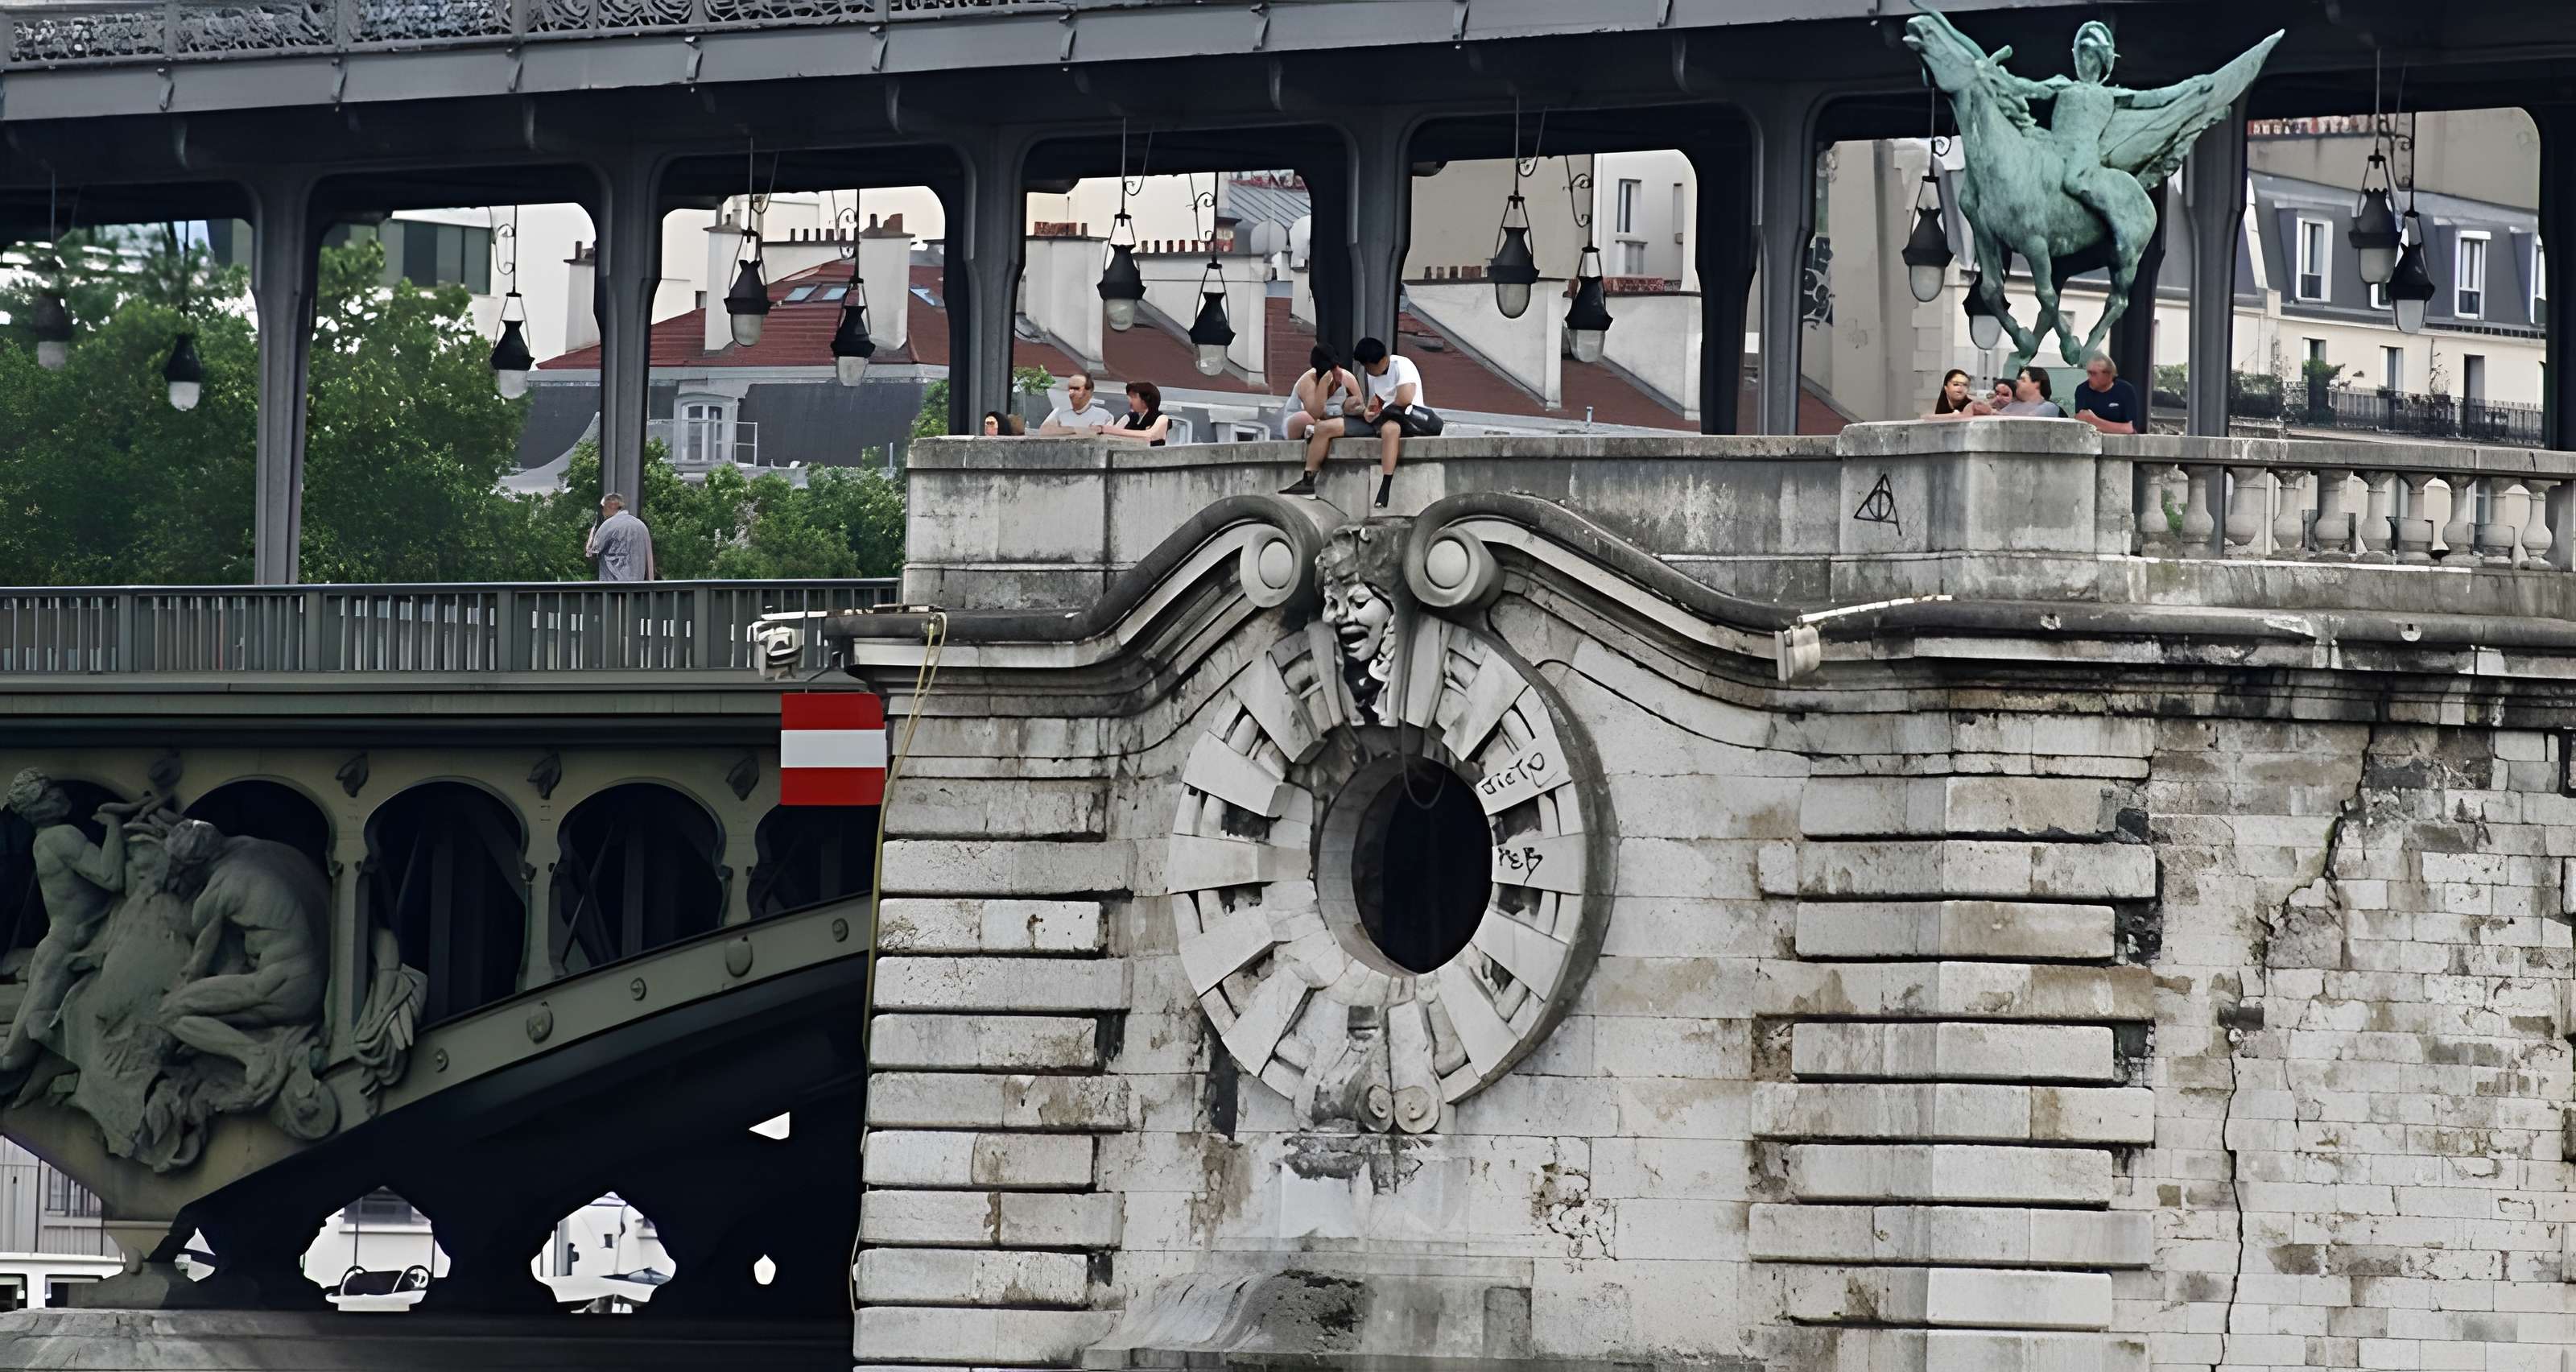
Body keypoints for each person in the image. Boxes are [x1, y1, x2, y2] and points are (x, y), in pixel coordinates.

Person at [0, 771, 133, 1072]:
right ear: (39, 805)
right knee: (15, 1054)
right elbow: (111, 878)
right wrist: (114, 824)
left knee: (20, 1038)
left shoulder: (43, 840)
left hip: (64, 943)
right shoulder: (63, 837)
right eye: (49, 792)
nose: (59, 795)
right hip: (67, 946)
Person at [1279, 337, 1438, 510]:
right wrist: (1363, 411)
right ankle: (1308, 479)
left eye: (1369, 366)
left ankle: (1385, 486)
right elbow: (1370, 402)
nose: (1367, 371)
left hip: (1405, 419)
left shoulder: (1402, 365)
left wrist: (1380, 411)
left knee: (1390, 430)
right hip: (1378, 419)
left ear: (1382, 360)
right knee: (1324, 428)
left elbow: (1405, 398)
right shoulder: (1370, 375)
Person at [1285, 346, 1364, 440]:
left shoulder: (1347, 378)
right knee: (1304, 417)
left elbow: (1360, 406)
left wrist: (1350, 405)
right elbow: (1314, 413)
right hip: (1299, 423)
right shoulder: (1308, 381)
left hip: (1335, 421)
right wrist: (1324, 385)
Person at [585, 493, 655, 582]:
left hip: (613, 588)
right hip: (637, 587)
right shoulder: (641, 525)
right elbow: (648, 559)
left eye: (602, 508)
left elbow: (590, 553)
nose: (601, 511)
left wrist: (595, 527)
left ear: (610, 506)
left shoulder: (607, 526)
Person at [2069, 353, 2143, 434]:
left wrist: (2094, 421)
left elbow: (2129, 429)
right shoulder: (2082, 389)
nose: (2090, 377)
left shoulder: (2126, 390)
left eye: (2094, 374)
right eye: (2089, 373)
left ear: (2109, 375)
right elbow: (2081, 422)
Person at [1035, 370, 1119, 435]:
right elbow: (1044, 431)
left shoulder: (1102, 415)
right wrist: (1075, 430)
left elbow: (1093, 434)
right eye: (1070, 389)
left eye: (1076, 389)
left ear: (1089, 391)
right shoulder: (1062, 415)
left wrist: (1062, 430)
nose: (1071, 393)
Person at [1100, 379, 1170, 446]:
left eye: (1134, 396)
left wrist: (1109, 430)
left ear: (1146, 399)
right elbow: (1113, 433)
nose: (1130, 400)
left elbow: (1150, 435)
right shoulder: (1130, 416)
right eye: (1129, 396)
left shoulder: (1162, 418)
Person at [1923, 368, 1996, 420]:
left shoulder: (1974, 405)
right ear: (1946, 388)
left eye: (1965, 385)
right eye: (1956, 384)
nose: (1960, 388)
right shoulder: (1934, 404)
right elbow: (1926, 417)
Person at [1999, 367, 2065, 417]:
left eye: (2023, 380)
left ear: (2037, 384)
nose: (2017, 382)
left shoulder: (2049, 407)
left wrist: (1993, 412)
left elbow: (2029, 418)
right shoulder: (2012, 405)